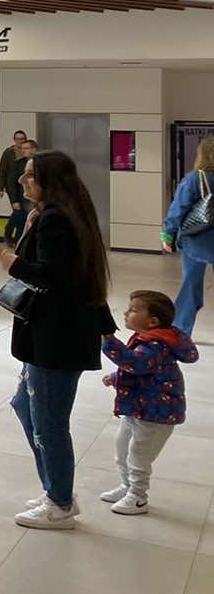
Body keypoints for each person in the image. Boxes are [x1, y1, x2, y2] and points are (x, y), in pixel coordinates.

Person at [0, 149, 116, 530]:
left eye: (30, 174)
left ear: (49, 181)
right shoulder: (56, 215)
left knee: (49, 424)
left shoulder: (57, 219)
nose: (22, 180)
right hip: (53, 335)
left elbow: (49, 277)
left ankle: (59, 502)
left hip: (56, 337)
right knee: (26, 406)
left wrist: (1, 256)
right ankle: (56, 489)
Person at [100, 290, 198, 515]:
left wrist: (108, 339)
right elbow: (146, 372)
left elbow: (136, 363)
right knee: (122, 448)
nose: (126, 313)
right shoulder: (148, 340)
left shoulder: (156, 344)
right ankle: (127, 486)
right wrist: (116, 378)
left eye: (133, 310)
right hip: (140, 407)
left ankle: (138, 497)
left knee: (139, 455)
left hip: (156, 414)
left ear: (152, 321)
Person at [163, 135, 214, 337]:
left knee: (191, 286)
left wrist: (167, 236)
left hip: (196, 240)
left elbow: (177, 210)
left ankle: (181, 331)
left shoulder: (195, 179)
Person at [3, 138, 39, 245]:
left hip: (34, 199)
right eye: (22, 149)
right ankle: (12, 239)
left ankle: (20, 242)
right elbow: (11, 183)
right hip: (21, 198)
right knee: (18, 220)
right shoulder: (18, 164)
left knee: (25, 223)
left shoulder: (41, 163)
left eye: (26, 148)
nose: (23, 151)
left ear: (34, 149)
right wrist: (14, 200)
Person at [0, 130, 28, 197]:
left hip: (25, 185)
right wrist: (0, 188)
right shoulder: (9, 152)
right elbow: (2, 170)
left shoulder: (29, 151)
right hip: (12, 185)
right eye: (18, 139)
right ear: (14, 139)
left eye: (22, 139)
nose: (20, 141)